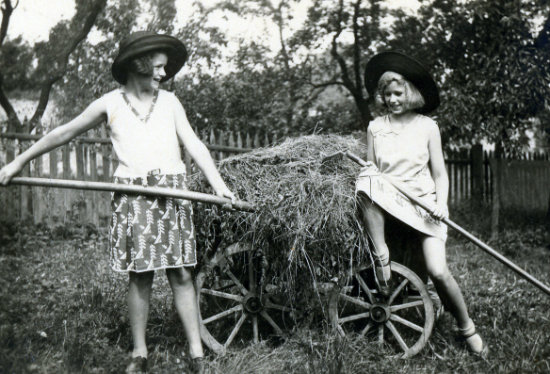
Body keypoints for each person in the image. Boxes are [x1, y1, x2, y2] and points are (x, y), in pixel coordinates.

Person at [0, 31, 235, 373]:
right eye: (157, 67)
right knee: (140, 276)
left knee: (182, 275)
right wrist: (19, 162)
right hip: (135, 196)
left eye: (164, 68)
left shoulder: (170, 103)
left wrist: (219, 186)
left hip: (173, 193)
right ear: (138, 65)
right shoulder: (109, 104)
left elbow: (195, 146)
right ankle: (139, 353)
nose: (163, 74)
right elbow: (62, 133)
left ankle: (197, 353)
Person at [356, 51, 487, 356]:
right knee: (366, 180)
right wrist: (370, 171)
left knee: (438, 270)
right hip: (388, 199)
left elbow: (440, 174)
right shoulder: (375, 127)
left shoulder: (427, 126)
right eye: (386, 94)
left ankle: (467, 328)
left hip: (423, 204)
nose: (392, 99)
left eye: (397, 93)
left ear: (410, 92)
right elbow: (371, 168)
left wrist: (441, 205)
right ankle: (382, 255)